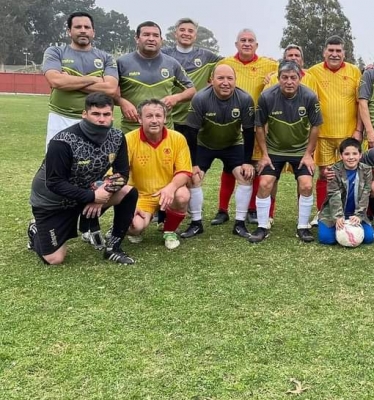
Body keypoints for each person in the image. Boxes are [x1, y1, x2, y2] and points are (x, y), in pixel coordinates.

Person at [27, 93, 138, 265]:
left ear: (112, 115)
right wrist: (93, 197)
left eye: (106, 114)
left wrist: (103, 193)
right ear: (84, 114)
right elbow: (54, 183)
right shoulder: (62, 142)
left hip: (87, 194)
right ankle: (35, 230)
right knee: (55, 259)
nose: (102, 119)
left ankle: (114, 248)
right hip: (53, 203)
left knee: (128, 192)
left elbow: (122, 173)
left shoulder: (117, 137)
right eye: (96, 114)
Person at [210, 29, 279, 226]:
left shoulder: (270, 64)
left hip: (257, 125)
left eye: (250, 41)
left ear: (256, 45)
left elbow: (291, 72)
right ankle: (222, 210)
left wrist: (273, 76)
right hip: (230, 123)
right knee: (230, 166)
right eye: (243, 40)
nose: (247, 43)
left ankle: (252, 209)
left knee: (256, 166)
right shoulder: (225, 64)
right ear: (236, 44)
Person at [180, 65, 257, 240]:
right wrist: (193, 164)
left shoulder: (245, 99)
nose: (225, 82)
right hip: (204, 144)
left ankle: (239, 223)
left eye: (229, 78)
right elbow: (190, 133)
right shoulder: (200, 98)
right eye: (220, 78)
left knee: (245, 176)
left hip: (232, 144)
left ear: (235, 81)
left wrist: (247, 161)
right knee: (194, 178)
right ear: (212, 80)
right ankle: (196, 223)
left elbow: (249, 131)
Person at [251, 61, 322, 243]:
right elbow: (259, 126)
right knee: (265, 183)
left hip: (300, 150)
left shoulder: (309, 96)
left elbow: (315, 126)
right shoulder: (267, 96)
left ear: (299, 78)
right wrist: (264, 155)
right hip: (274, 150)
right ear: (278, 78)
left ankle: (303, 226)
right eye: (285, 77)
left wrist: (308, 154)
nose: (289, 81)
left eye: (293, 77)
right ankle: (262, 226)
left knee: (306, 184)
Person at [303, 36, 363, 215]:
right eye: (331, 50)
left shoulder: (354, 72)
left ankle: (352, 211)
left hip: (349, 135)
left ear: (344, 53)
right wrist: (271, 75)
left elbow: (361, 103)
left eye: (338, 51)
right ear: (324, 52)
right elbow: (295, 74)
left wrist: (359, 130)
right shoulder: (313, 72)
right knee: (325, 175)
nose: (335, 54)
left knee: (352, 173)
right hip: (323, 134)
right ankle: (323, 212)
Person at [41, 12, 119, 147]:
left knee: (93, 164)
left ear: (93, 32)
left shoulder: (106, 57)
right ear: (69, 31)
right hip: (60, 117)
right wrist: (95, 79)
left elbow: (110, 89)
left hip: (95, 120)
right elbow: (56, 81)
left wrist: (68, 81)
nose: (83, 30)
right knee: (57, 164)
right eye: (78, 27)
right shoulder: (55, 52)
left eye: (87, 27)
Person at [125, 99, 192, 250]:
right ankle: (134, 227)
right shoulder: (129, 139)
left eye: (158, 116)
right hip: (142, 195)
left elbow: (185, 172)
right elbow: (120, 172)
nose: (154, 120)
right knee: (134, 227)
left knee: (182, 194)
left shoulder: (178, 138)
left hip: (168, 192)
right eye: (149, 116)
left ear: (165, 118)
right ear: (140, 119)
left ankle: (169, 231)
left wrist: (170, 188)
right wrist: (128, 201)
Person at [115, 21, 196, 133]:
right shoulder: (122, 63)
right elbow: (108, 91)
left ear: (161, 40)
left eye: (155, 35)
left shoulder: (172, 63)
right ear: (137, 38)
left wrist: (175, 98)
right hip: (131, 131)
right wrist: (121, 101)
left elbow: (191, 90)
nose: (151, 39)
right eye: (146, 35)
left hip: (164, 131)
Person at [161, 18, 224, 134]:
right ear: (175, 34)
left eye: (190, 31)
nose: (186, 33)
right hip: (168, 118)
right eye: (182, 30)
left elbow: (233, 64)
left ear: (195, 36)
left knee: (194, 152)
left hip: (197, 119)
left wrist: (268, 64)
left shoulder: (207, 56)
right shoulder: (163, 54)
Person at [317, 138, 374, 245]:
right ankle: (323, 222)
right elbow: (333, 194)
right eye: (347, 154)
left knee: (369, 238)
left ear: (360, 155)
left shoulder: (366, 170)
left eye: (354, 153)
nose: (351, 157)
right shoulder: (333, 171)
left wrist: (359, 215)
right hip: (333, 213)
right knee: (327, 239)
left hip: (355, 213)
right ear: (341, 156)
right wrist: (338, 216)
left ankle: (354, 224)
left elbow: (365, 195)